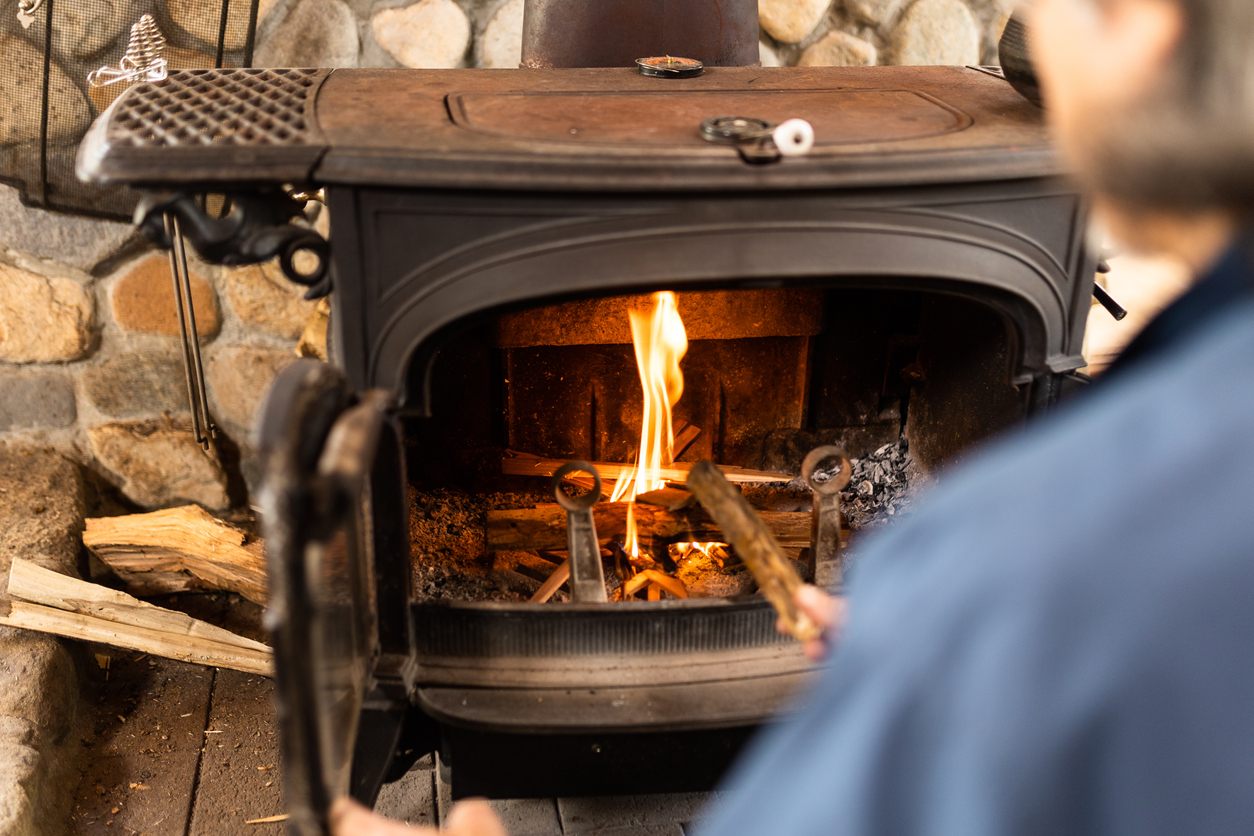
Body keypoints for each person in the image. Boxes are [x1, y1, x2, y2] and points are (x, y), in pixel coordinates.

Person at [335, 0, 1254, 831]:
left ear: (1140, 19)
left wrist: (962, 632)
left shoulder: (1030, 561)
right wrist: (949, 647)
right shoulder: (1079, 540)